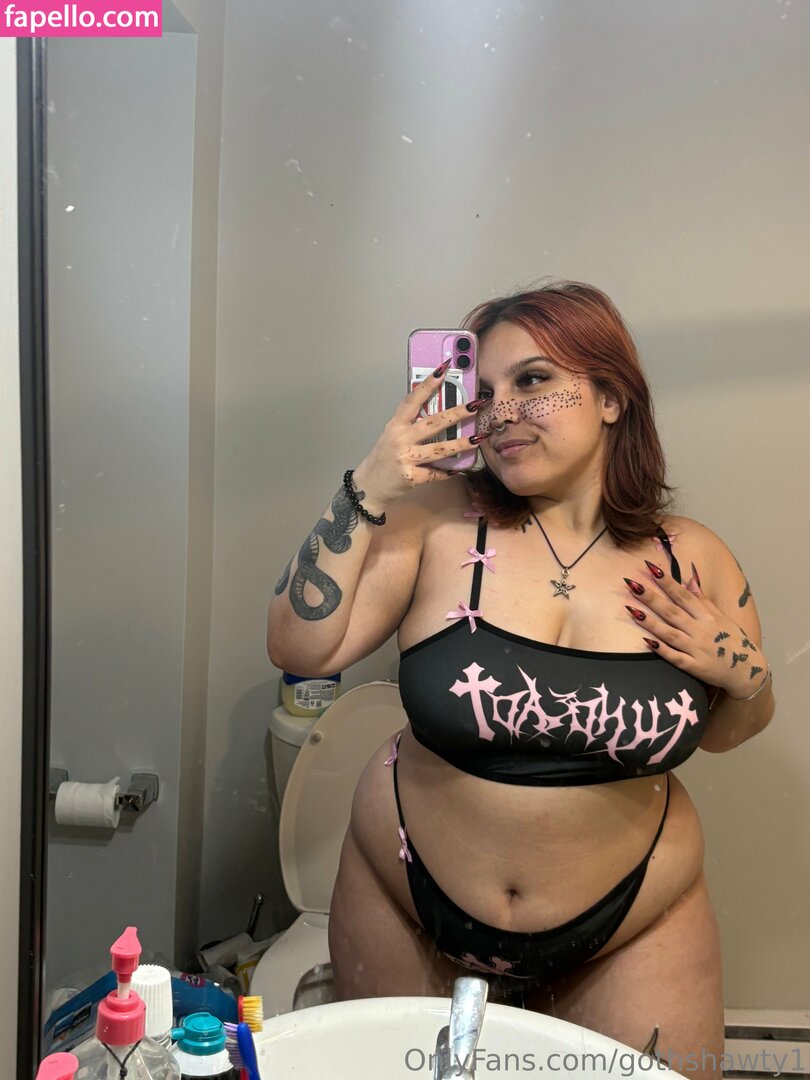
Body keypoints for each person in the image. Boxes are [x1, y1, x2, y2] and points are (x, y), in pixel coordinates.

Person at [266, 280, 775, 1080]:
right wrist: (369, 486)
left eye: (533, 381)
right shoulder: (434, 524)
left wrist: (739, 674)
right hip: (406, 897)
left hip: (633, 927)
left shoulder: (694, 558)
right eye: (485, 393)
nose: (500, 411)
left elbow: (733, 730)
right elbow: (301, 644)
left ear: (610, 397)